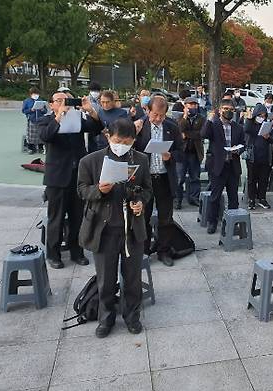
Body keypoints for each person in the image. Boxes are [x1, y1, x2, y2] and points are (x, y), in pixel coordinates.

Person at [77, 118, 152, 338]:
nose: (122, 145)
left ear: (133, 141)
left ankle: (132, 316)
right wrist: (99, 190)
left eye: (127, 141)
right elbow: (82, 190)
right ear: (108, 136)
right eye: (118, 140)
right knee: (106, 279)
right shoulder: (90, 161)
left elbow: (147, 189)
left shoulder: (140, 160)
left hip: (131, 229)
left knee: (132, 278)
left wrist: (140, 202)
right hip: (104, 229)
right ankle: (106, 318)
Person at [38, 91, 103, 269]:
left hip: (78, 176)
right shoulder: (46, 120)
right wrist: (59, 116)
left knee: (77, 217)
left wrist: (90, 110)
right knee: (56, 218)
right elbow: (45, 136)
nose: (63, 103)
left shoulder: (76, 118)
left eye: (65, 100)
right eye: (59, 101)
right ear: (51, 104)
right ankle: (53, 254)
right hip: (57, 178)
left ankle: (77, 251)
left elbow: (96, 128)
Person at [134, 95, 182, 266]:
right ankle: (144, 250)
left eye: (162, 115)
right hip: (145, 179)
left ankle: (164, 250)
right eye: (155, 115)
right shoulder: (139, 126)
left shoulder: (171, 127)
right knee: (142, 216)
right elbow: (128, 149)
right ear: (147, 111)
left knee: (166, 217)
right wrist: (134, 134)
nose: (158, 119)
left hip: (164, 177)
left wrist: (170, 156)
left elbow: (180, 151)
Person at [201, 99, 245, 233]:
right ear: (220, 110)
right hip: (218, 165)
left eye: (231, 110)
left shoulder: (238, 127)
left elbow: (244, 143)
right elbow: (203, 134)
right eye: (225, 108)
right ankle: (212, 222)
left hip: (233, 165)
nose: (228, 112)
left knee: (233, 197)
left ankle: (233, 222)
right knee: (215, 196)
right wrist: (209, 119)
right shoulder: (214, 124)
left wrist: (238, 149)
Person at [244, 103, 273, 209]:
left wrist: (268, 137)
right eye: (259, 115)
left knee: (263, 179)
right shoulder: (251, 124)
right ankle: (251, 199)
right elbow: (246, 129)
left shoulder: (267, 124)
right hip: (252, 156)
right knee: (252, 179)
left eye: (263, 116)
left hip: (265, 156)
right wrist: (249, 118)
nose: (261, 118)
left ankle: (262, 198)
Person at [176, 96, 204, 209]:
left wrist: (186, 134)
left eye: (194, 105)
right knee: (179, 178)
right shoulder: (180, 119)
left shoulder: (201, 118)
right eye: (190, 105)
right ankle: (178, 200)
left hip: (195, 152)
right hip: (182, 152)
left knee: (195, 177)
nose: (193, 107)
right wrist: (184, 117)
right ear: (185, 107)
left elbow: (201, 134)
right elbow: (179, 132)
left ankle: (194, 198)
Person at [21, 87, 47, 153]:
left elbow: (45, 111)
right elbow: (24, 110)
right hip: (32, 119)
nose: (35, 95)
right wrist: (31, 110)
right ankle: (31, 148)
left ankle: (40, 148)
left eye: (37, 93)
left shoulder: (41, 100)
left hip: (40, 119)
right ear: (30, 94)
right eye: (34, 93)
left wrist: (42, 110)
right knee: (31, 135)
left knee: (40, 134)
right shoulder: (27, 101)